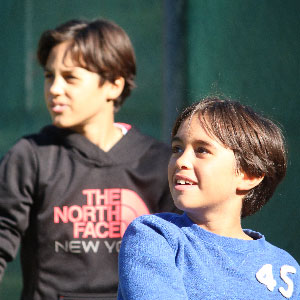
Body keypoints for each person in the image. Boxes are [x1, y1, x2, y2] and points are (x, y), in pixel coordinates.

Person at [0, 18, 177, 300]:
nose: (55, 88)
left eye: (70, 77)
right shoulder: (30, 156)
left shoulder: (160, 163)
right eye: (49, 76)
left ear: (114, 85)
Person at [118, 97, 300, 300]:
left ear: (249, 175)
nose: (181, 161)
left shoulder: (285, 268)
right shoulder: (154, 236)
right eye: (177, 149)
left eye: (202, 150)